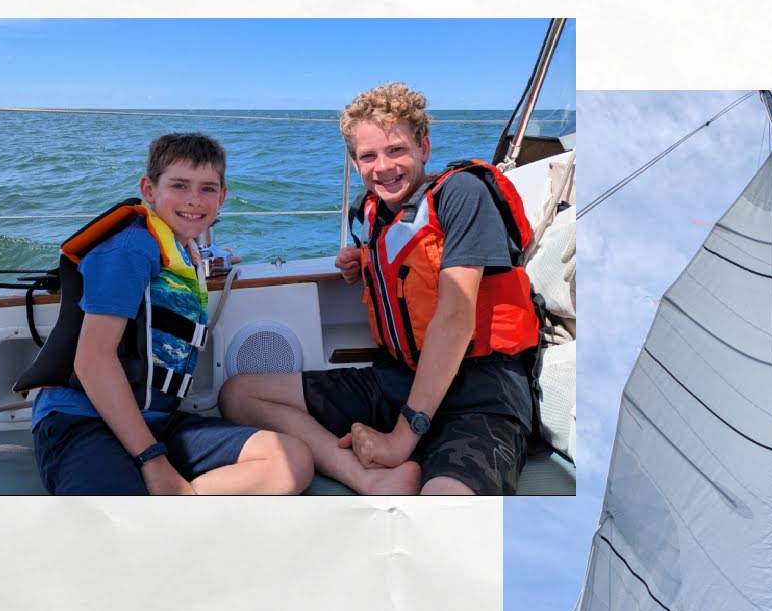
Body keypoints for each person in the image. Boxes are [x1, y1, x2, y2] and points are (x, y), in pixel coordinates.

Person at [219, 83, 540, 495]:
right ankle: (366, 478)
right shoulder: (374, 218)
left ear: (424, 147)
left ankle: (409, 458)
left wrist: (402, 437)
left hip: (480, 390)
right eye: (368, 156)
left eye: (396, 150)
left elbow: (456, 317)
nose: (383, 167)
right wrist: (362, 262)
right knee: (240, 393)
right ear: (354, 163)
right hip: (400, 379)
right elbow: (407, 273)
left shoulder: (463, 194)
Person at [14, 133, 314, 495]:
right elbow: (93, 359)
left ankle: (180, 500)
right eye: (179, 185)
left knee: (291, 459)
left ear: (222, 197)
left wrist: (222, 256)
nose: (193, 200)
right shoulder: (130, 249)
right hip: (82, 420)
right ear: (149, 189)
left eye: (207, 189)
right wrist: (153, 459)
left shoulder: (185, 249)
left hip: (156, 421)